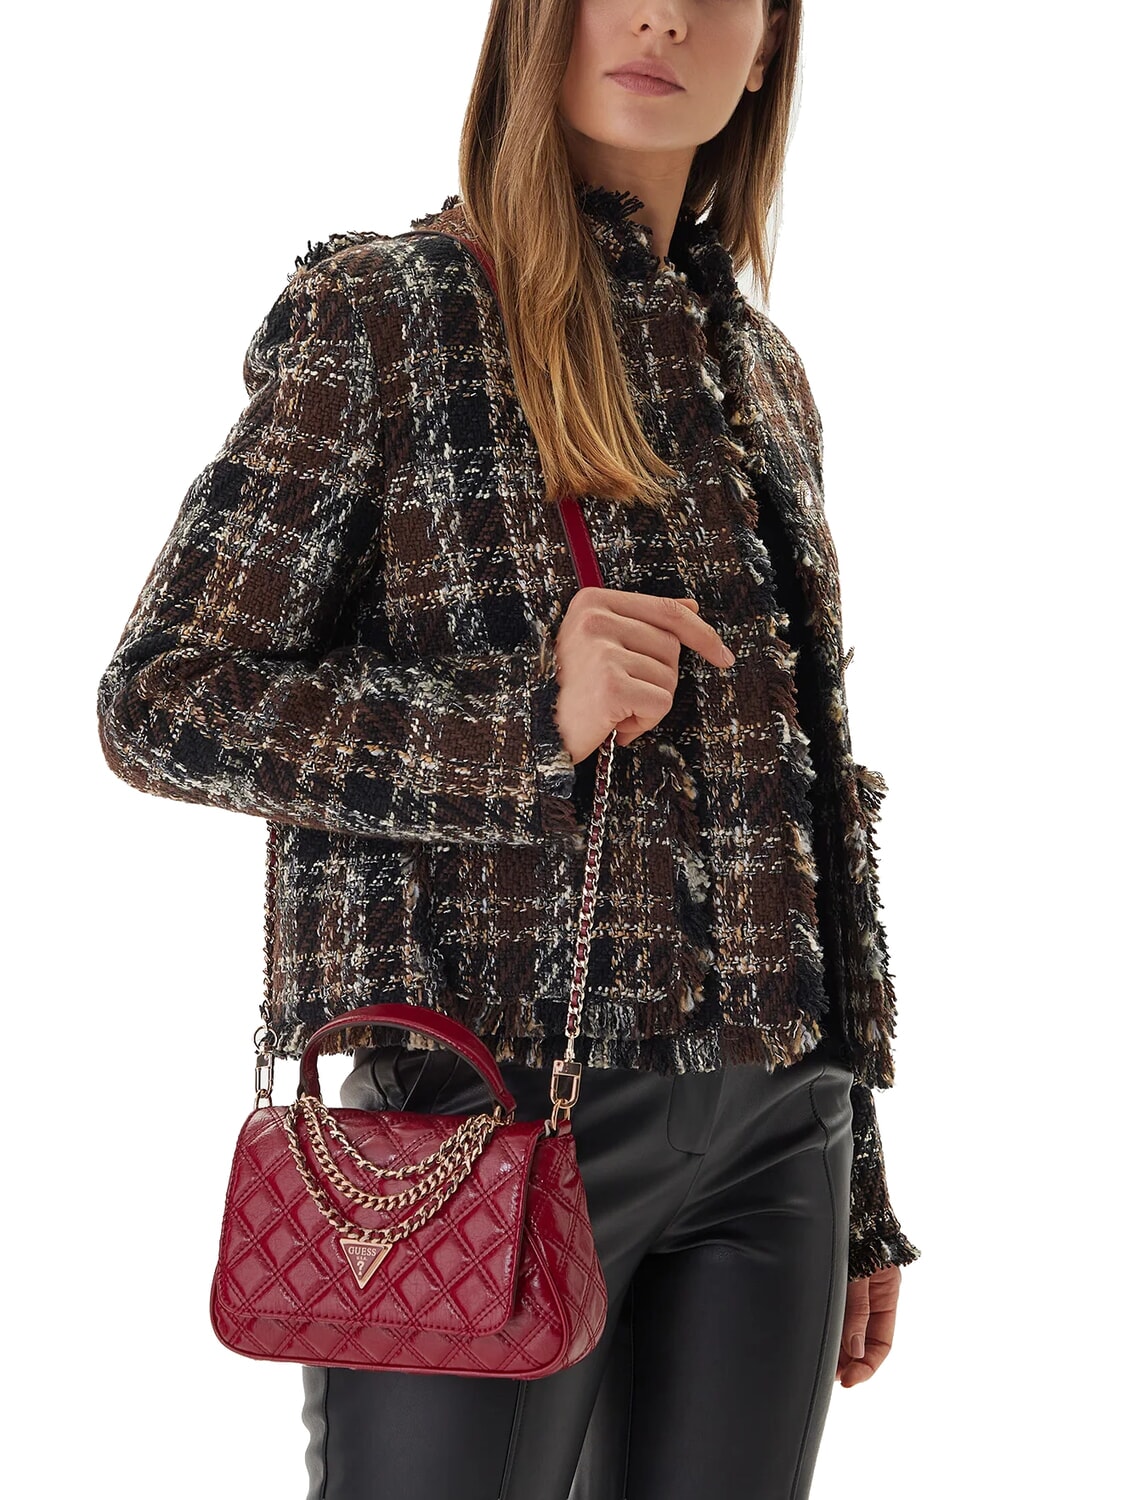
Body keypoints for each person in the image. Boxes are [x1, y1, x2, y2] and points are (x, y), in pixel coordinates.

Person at [95, 1, 920, 1496]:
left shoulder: (762, 372)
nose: (662, 14)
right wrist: (524, 722)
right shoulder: (392, 312)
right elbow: (163, 699)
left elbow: (812, 788)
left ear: (767, 45)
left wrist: (854, 1175)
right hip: (481, 1112)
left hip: (775, 1135)